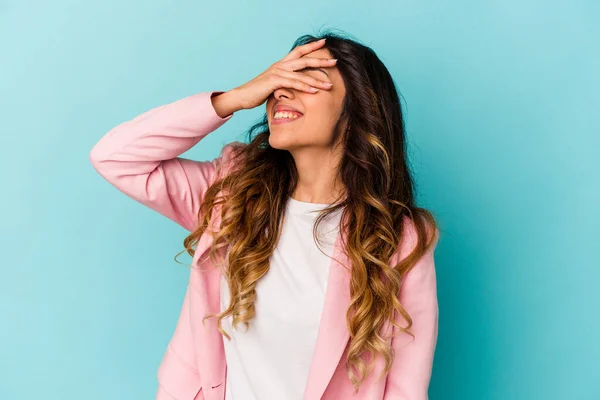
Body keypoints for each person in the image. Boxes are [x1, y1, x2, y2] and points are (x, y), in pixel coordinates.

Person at [90, 32, 440, 400]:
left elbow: (405, 388)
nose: (282, 91)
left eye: (305, 79)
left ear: (356, 112)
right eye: (280, 78)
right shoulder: (232, 194)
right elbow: (115, 157)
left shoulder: (400, 240)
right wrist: (233, 99)